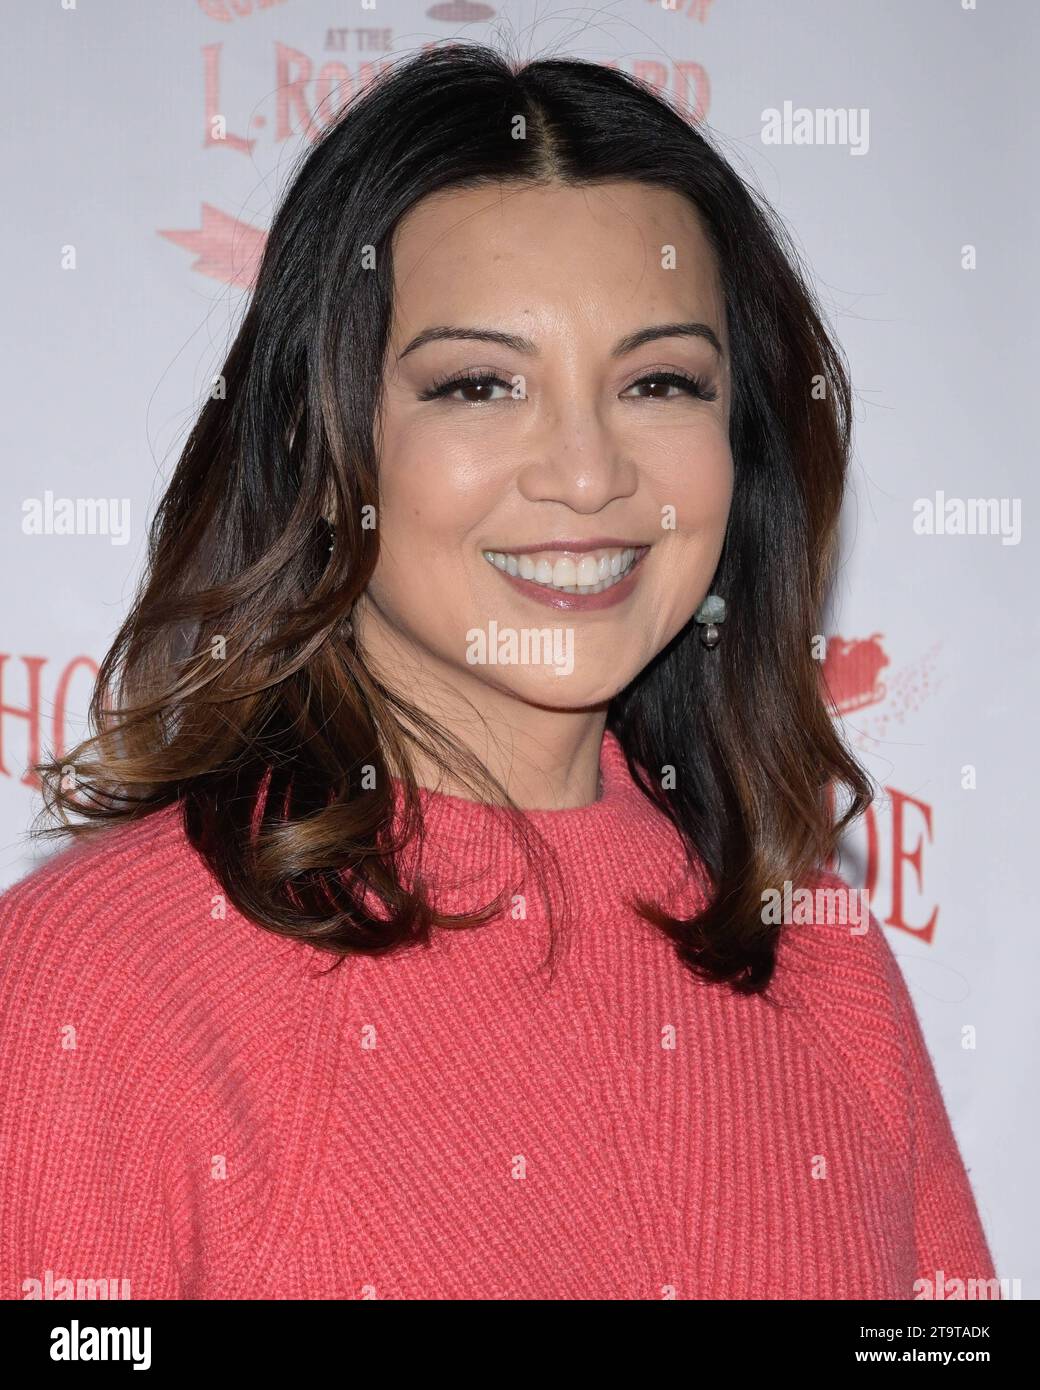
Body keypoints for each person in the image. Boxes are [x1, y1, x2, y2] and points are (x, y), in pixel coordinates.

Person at [0, 43, 997, 1300]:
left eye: (657, 382)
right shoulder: (98, 984)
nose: (585, 474)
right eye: (479, 385)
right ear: (325, 439)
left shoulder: (819, 956)